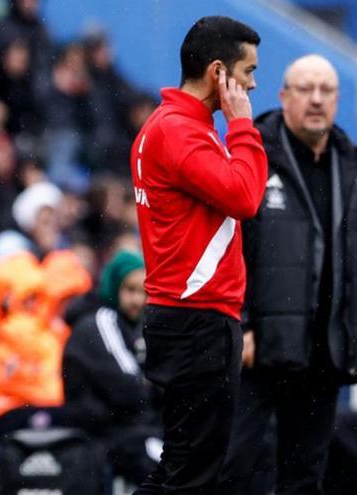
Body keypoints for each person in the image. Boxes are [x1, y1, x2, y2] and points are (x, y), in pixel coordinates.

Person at [218, 54, 357, 495]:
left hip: (325, 351)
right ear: (284, 97)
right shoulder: (250, 157)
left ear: (338, 100)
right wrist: (240, 324)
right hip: (257, 351)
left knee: (304, 478)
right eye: (306, 89)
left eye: (326, 90)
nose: (316, 100)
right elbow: (224, 249)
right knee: (233, 469)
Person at [129, 16, 267, 494]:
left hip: (190, 318)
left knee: (181, 467)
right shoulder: (179, 131)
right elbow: (246, 196)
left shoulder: (175, 126)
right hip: (196, 319)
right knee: (195, 476)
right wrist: (243, 125)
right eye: (247, 71)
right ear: (218, 73)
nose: (253, 83)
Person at [63, 250, 161, 484]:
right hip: (106, 437)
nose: (138, 300)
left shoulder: (136, 324)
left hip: (137, 432)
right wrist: (153, 384)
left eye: (144, 292)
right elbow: (131, 389)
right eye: (130, 290)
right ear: (115, 287)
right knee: (177, 473)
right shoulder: (101, 321)